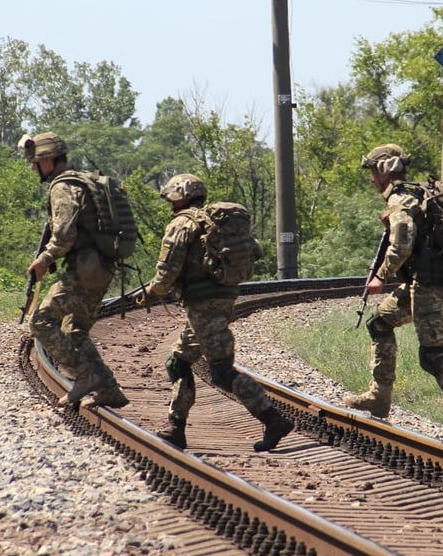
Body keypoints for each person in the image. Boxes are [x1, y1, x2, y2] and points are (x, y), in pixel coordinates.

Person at [139, 173, 294, 452]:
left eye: (171, 196)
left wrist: (150, 292)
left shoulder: (182, 223)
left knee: (221, 371)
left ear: (180, 196)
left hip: (203, 305)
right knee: (178, 362)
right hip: (221, 300)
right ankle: (176, 428)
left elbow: (166, 272)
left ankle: (274, 420)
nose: (170, 202)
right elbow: (255, 251)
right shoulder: (216, 222)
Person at [345, 143, 443, 446]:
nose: (371, 179)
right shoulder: (414, 193)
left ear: (383, 171)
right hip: (418, 285)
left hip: (428, 288)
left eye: (372, 171)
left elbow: (403, 241)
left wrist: (380, 277)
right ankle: (379, 398)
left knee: (434, 357)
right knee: (379, 323)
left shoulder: (400, 199)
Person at [22, 131, 129, 409]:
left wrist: (44, 260)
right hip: (102, 268)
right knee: (76, 331)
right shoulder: (84, 181)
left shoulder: (62, 187)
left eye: (36, 162)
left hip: (83, 270)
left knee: (41, 322)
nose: (34, 168)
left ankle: (84, 375)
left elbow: (65, 235)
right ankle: (107, 389)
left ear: (49, 160)